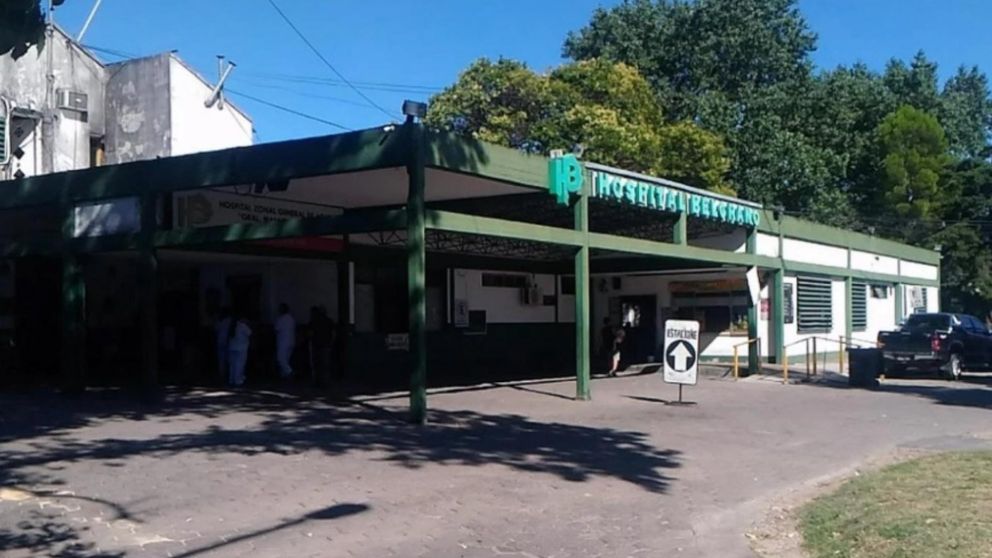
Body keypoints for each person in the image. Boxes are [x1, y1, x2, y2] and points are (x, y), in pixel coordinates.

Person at [308, 306, 334, 387]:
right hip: (326, 345)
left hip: (316, 345)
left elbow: (310, 333)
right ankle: (325, 382)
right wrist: (331, 342)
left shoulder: (314, 321)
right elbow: (333, 333)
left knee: (316, 365)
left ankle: (317, 382)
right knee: (325, 366)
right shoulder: (329, 321)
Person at [227, 311, 252, 387]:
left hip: (232, 347)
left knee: (232, 365)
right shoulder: (242, 325)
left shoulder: (231, 326)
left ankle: (231, 379)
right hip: (241, 347)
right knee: (240, 364)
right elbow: (250, 333)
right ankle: (238, 380)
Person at [274, 303, 296, 380]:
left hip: (283, 342)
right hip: (291, 341)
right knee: (286, 360)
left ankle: (290, 372)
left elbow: (276, 329)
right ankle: (284, 375)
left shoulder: (281, 319)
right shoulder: (291, 318)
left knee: (280, 359)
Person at [214, 307, 231, 383]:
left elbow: (216, 329)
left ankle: (222, 374)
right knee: (229, 358)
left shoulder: (219, 321)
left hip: (220, 341)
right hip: (228, 341)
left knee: (221, 359)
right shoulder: (230, 320)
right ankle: (227, 374)